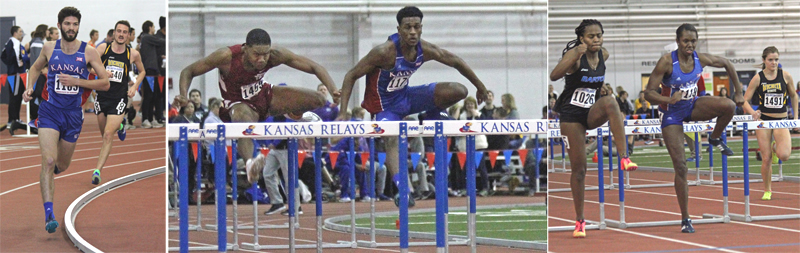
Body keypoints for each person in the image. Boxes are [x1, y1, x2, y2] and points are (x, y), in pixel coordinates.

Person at [337, 6, 489, 207]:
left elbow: (455, 60)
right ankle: (402, 188)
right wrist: (342, 113)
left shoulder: (424, 49)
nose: (412, 32)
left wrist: (480, 86)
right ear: (398, 29)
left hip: (407, 98)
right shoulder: (384, 52)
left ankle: (430, 115)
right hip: (385, 107)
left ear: (421, 28)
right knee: (391, 137)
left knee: (459, 90)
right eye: (407, 27)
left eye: (416, 27)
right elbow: (351, 75)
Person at [176, 28, 338, 196]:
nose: (262, 59)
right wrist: (183, 94)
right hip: (238, 103)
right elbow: (188, 71)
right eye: (256, 55)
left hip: (263, 95)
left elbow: (314, 66)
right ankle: (250, 164)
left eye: (265, 54)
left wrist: (333, 90)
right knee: (242, 119)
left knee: (319, 99)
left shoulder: (275, 54)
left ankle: (293, 114)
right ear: (245, 48)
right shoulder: (226, 56)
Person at [644, 23, 744, 233]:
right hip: (671, 113)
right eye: (686, 41)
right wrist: (668, 99)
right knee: (681, 166)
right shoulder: (667, 62)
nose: (690, 45)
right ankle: (686, 218)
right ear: (678, 41)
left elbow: (726, 63)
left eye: (693, 41)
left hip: (692, 106)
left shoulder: (700, 59)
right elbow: (648, 93)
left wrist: (739, 92)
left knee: (729, 106)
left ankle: (715, 138)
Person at [23, 6, 110, 233]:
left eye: (75, 24)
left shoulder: (89, 52)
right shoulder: (50, 48)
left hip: (73, 115)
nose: (71, 28)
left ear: (78, 26)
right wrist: (29, 87)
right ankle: (49, 214)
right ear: (60, 25)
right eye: (67, 24)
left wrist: (78, 82)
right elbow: (34, 68)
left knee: (61, 165)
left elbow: (105, 83)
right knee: (48, 161)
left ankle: (51, 174)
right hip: (49, 111)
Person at [549, 19, 638, 238]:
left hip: (590, 112)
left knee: (610, 102)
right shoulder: (575, 56)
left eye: (599, 35)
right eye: (591, 36)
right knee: (579, 170)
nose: (596, 39)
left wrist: (601, 89)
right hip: (571, 117)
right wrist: (574, 54)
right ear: (582, 39)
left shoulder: (603, 55)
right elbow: (554, 75)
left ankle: (624, 157)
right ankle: (580, 221)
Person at [91, 20, 145, 184]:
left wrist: (135, 86)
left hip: (119, 98)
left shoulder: (133, 54)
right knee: (104, 135)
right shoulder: (102, 49)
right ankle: (120, 126)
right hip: (102, 96)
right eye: (119, 31)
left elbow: (142, 71)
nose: (121, 34)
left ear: (128, 35)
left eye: (125, 32)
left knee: (108, 135)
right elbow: (89, 66)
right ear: (114, 33)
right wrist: (101, 72)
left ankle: (97, 171)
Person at [743, 46, 797, 200]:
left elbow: (794, 96)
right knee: (766, 158)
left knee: (784, 155)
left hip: (781, 120)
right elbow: (743, 100)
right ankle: (767, 189)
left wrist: (795, 118)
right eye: (770, 60)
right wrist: (753, 112)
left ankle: (775, 147)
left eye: (776, 60)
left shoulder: (785, 76)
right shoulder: (758, 78)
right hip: (764, 121)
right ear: (764, 60)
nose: (774, 63)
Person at [2, 25, 29, 135]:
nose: (21, 34)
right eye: (20, 32)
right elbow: (18, 57)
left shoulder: (9, 43)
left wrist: (10, 66)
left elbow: (3, 55)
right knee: (16, 97)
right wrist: (18, 66)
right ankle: (14, 120)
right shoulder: (15, 43)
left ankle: (12, 120)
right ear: (15, 33)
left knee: (14, 96)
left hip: (13, 73)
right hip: (17, 74)